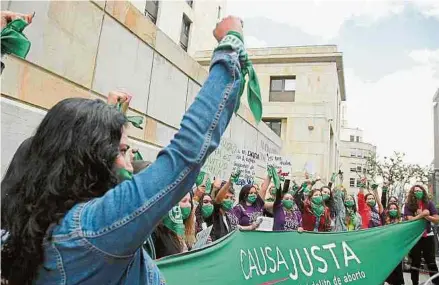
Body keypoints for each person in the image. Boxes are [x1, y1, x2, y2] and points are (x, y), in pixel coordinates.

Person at [0, 16, 245, 284]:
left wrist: (108, 120)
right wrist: (229, 49)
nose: (130, 165)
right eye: (122, 151)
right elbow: (185, 153)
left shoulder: (32, 227)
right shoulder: (94, 229)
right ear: (93, 159)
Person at [404, 185, 439, 285]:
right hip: (415, 237)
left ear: (423, 192)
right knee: (415, 262)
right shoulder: (408, 205)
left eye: (419, 190)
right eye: (415, 191)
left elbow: (436, 219)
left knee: (431, 261)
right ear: (412, 194)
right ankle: (415, 283)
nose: (417, 192)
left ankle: (436, 282)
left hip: (428, 235)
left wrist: (426, 216)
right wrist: (422, 214)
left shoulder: (429, 203)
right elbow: (410, 219)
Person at [383, 202, 404, 285]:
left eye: (395, 208)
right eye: (391, 208)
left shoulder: (402, 220)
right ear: (388, 210)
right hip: (387, 249)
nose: (393, 210)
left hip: (398, 249)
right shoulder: (384, 220)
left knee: (398, 270)